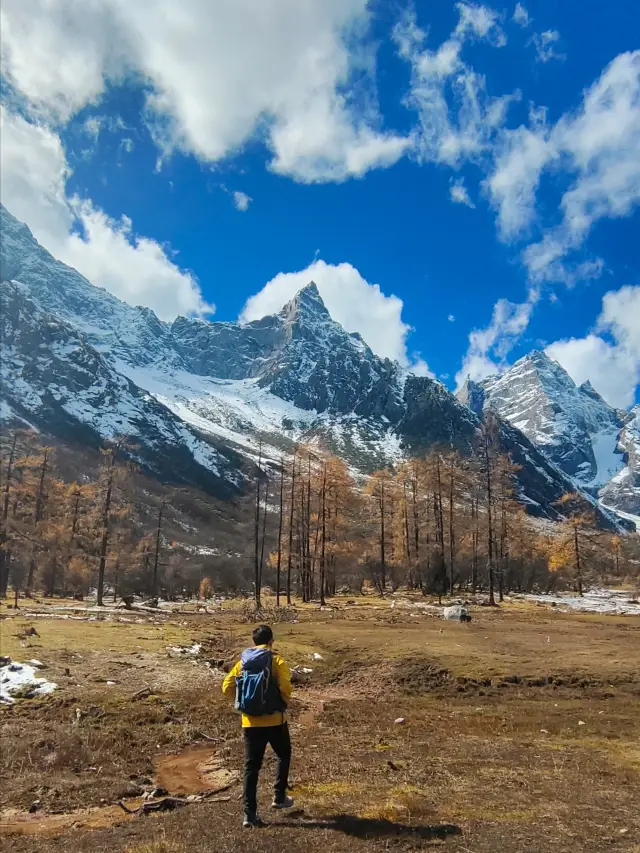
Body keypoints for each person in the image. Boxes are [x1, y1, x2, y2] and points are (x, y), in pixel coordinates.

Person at [222, 624, 294, 828]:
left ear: (254, 642)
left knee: (251, 767)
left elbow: (226, 686)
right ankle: (279, 797)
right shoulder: (276, 659)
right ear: (271, 641)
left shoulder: (243, 662)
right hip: (275, 720)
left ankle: (249, 815)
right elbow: (286, 686)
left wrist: (241, 704)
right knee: (283, 754)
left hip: (250, 722)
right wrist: (283, 702)